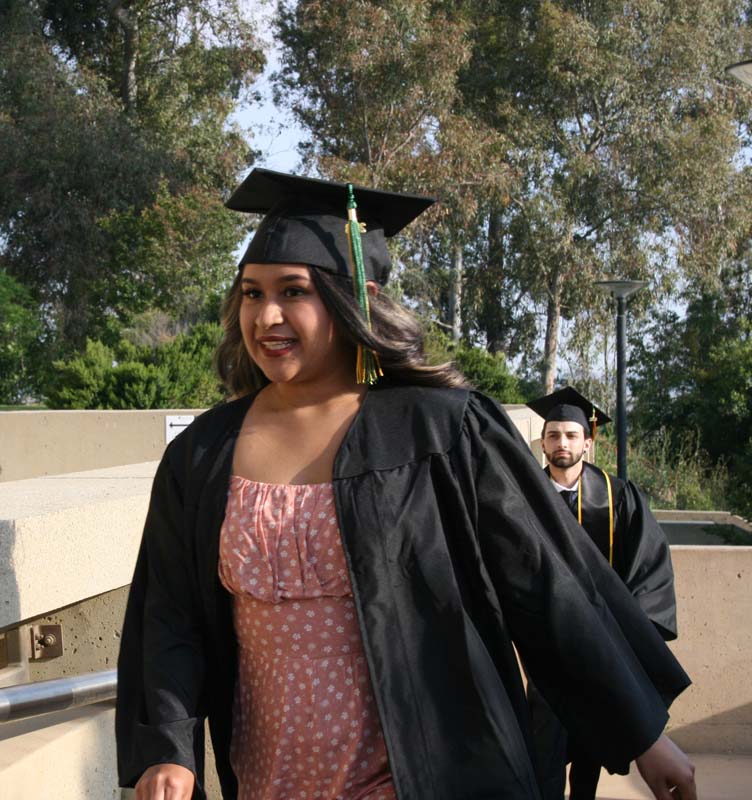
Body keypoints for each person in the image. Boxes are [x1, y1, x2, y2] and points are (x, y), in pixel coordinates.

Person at [114, 167, 696, 800]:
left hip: (426, 771)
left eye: (293, 291)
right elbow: (169, 613)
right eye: (251, 293)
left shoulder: (442, 431)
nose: (267, 315)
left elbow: (545, 583)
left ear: (354, 297)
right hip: (267, 776)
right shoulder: (203, 452)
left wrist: (644, 736)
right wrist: (167, 749)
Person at [525, 387, 679, 800]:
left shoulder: (619, 497)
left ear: (588, 443)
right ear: (543, 443)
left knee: (592, 745)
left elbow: (648, 563)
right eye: (554, 435)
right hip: (546, 643)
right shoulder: (522, 496)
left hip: (600, 642)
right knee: (545, 744)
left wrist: (633, 633)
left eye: (572, 435)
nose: (562, 443)